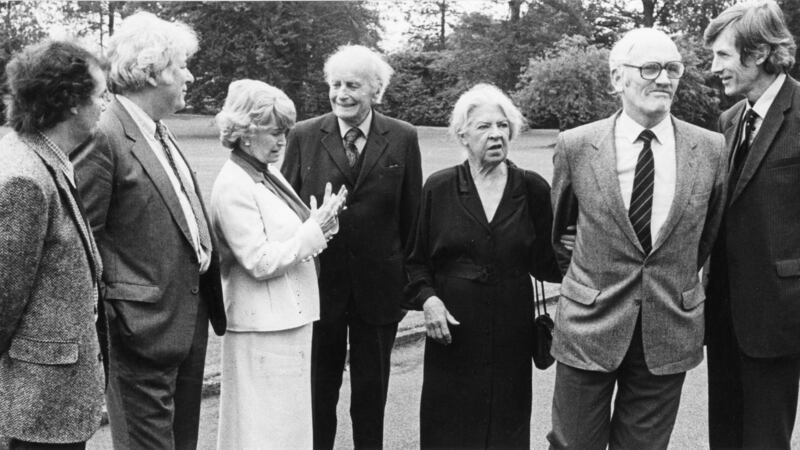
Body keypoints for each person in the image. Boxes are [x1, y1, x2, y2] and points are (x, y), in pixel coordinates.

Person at [547, 28, 727, 449]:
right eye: (650, 68)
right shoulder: (576, 146)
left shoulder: (711, 149)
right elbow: (559, 233)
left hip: (667, 329)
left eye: (673, 69)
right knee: (572, 444)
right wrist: (589, 283)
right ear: (616, 79)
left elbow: (705, 239)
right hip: (588, 326)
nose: (663, 79)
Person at [72, 12, 226, 450]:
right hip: (140, 334)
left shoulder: (158, 131)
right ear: (151, 71)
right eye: (181, 67)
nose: (189, 76)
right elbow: (79, 245)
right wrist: (120, 318)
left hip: (186, 320)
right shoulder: (105, 137)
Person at [404, 83, 561, 449]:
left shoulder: (532, 188)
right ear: (463, 134)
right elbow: (415, 262)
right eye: (484, 127)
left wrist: (574, 241)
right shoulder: (439, 188)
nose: (496, 134)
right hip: (453, 329)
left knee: (506, 421)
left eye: (503, 126)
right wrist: (428, 301)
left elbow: (548, 266)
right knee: (449, 426)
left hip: (511, 328)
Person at [281, 44, 422, 449]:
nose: (341, 93)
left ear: (375, 90)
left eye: (353, 86)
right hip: (319, 287)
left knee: (371, 393)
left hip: (380, 288)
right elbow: (287, 210)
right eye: (336, 84)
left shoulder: (402, 137)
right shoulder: (305, 135)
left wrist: (409, 283)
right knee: (318, 390)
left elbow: (411, 216)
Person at [210, 79, 346, 449]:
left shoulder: (265, 173)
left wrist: (323, 224)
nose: (282, 140)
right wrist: (314, 231)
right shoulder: (235, 184)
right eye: (275, 132)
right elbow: (260, 260)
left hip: (286, 321)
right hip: (263, 328)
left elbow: (290, 236)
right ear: (245, 133)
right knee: (264, 432)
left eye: (285, 131)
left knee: (287, 430)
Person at [0, 40, 107, 449]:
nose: (105, 103)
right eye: (100, 94)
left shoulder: (45, 159)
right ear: (71, 101)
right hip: (33, 409)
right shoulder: (24, 178)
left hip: (49, 403)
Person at [704, 2, 800, 448]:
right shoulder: (730, 120)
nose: (713, 68)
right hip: (723, 316)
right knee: (724, 436)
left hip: (780, 318)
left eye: (722, 55)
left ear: (758, 52)